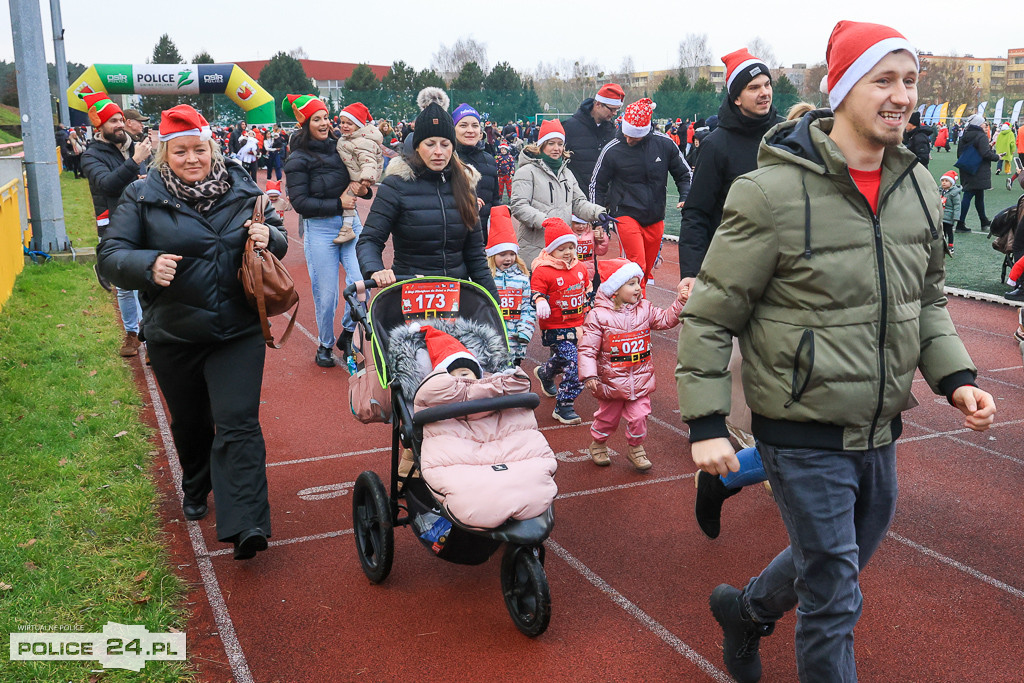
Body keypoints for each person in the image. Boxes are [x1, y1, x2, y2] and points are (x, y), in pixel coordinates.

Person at [676, 22, 995, 682]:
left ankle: (748, 610)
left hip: (878, 423)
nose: (903, 95)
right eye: (884, 79)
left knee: (835, 560)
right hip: (797, 429)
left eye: (910, 80)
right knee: (835, 598)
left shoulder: (913, 188)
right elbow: (711, 312)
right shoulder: (768, 193)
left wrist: (956, 375)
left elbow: (927, 298)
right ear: (843, 88)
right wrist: (706, 420)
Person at [97, 104, 287, 560]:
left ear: (211, 147)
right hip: (174, 334)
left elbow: (275, 232)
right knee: (192, 423)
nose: (191, 159)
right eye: (179, 151)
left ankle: (246, 524)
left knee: (238, 423)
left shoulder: (242, 185)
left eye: (198, 149)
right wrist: (146, 264)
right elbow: (110, 257)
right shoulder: (141, 195)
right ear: (165, 153)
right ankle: (196, 482)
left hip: (237, 330)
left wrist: (269, 238)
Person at [357, 87, 499, 302]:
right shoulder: (396, 186)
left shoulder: (465, 185)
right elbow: (369, 240)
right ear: (417, 147)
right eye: (430, 144)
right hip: (413, 293)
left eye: (445, 144)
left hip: (455, 295)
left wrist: (494, 303)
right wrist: (375, 269)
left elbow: (475, 255)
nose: (439, 152)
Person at [678, 49, 781, 284]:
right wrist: (691, 273)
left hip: (784, 267)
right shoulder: (716, 145)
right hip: (734, 269)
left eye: (767, 84)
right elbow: (696, 212)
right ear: (736, 97)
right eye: (754, 88)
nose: (764, 93)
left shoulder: (787, 133)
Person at [284, 94, 368, 367]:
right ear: (305, 123)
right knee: (327, 294)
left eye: (325, 118)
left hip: (351, 224)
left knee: (360, 285)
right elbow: (299, 203)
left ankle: (347, 333)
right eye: (316, 119)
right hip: (320, 230)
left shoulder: (341, 147)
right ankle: (325, 343)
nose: (323, 123)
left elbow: (358, 180)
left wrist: (363, 188)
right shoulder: (297, 159)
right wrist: (337, 202)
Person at [578, 258, 684, 471]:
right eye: (631, 283)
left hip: (640, 379)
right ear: (615, 290)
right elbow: (588, 349)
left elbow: (665, 320)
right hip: (611, 382)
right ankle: (598, 442)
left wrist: (680, 302)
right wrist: (589, 375)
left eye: (638, 282)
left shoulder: (645, 309)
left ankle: (635, 447)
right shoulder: (599, 316)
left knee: (640, 416)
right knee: (607, 419)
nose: (638, 288)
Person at [590, 97, 692, 290]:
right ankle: (638, 315)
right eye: (626, 134)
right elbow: (597, 184)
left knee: (646, 269)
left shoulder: (664, 143)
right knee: (636, 266)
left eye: (634, 137)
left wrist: (685, 196)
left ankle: (633, 309)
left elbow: (685, 173)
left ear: (646, 132)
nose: (628, 140)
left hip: (655, 215)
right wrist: (598, 217)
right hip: (625, 213)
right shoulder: (612, 149)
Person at [79, 91, 152, 358]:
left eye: (121, 119)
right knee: (124, 285)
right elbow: (106, 184)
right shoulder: (91, 155)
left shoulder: (139, 146)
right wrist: (135, 163)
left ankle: (152, 336)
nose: (120, 125)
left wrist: (147, 170)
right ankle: (132, 333)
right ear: (99, 125)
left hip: (146, 218)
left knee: (150, 278)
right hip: (114, 223)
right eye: (113, 121)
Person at [509, 118, 611, 267]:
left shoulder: (567, 173)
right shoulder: (526, 172)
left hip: (562, 248)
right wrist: (546, 221)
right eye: (551, 143)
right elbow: (519, 206)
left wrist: (598, 212)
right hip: (535, 250)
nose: (556, 148)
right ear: (541, 145)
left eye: (560, 144)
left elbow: (578, 202)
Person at [530, 217, 589, 425]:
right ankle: (564, 405)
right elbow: (534, 292)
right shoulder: (543, 270)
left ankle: (546, 373)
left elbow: (587, 290)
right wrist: (539, 301)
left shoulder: (580, 267)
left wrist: (591, 306)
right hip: (555, 328)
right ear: (551, 250)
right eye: (561, 248)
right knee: (577, 364)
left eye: (571, 247)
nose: (567, 252)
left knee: (566, 359)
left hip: (578, 326)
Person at [485, 206, 535, 366]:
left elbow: (528, 307)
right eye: (502, 254)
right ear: (492, 256)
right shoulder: (487, 279)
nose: (508, 258)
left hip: (516, 343)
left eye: (512, 254)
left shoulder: (522, 279)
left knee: (513, 379)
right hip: (492, 342)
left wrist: (525, 331)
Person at [334, 102, 383, 245]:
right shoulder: (348, 139)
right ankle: (347, 226)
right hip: (355, 173)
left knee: (349, 200)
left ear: (358, 126)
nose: (344, 126)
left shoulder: (362, 142)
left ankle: (347, 228)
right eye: (342, 122)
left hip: (360, 177)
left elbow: (369, 161)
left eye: (349, 123)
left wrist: (367, 178)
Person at [562, 83, 624, 188]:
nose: (614, 113)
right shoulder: (569, 128)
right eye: (612, 109)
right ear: (598, 104)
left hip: (604, 198)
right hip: (577, 196)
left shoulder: (613, 132)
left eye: (617, 110)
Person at [452, 102, 499, 239]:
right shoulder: (447, 159)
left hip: (483, 238)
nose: (470, 130)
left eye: (475, 125)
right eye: (463, 125)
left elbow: (495, 199)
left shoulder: (489, 160)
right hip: (454, 238)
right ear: (453, 129)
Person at [955, 113, 1001, 233]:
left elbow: (961, 153)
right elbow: (985, 154)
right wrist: (997, 157)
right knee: (969, 195)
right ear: (978, 124)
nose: (984, 125)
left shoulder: (965, 135)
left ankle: (983, 221)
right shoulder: (981, 136)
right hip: (978, 169)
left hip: (967, 168)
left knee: (978, 195)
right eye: (983, 123)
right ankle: (960, 222)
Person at [940, 170, 962, 254]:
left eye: (946, 181)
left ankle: (950, 246)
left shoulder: (954, 193)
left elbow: (957, 205)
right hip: (941, 216)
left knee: (949, 232)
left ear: (951, 183)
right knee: (942, 232)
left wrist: (956, 216)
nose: (944, 183)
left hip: (949, 216)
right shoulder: (940, 191)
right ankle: (943, 245)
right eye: (942, 181)